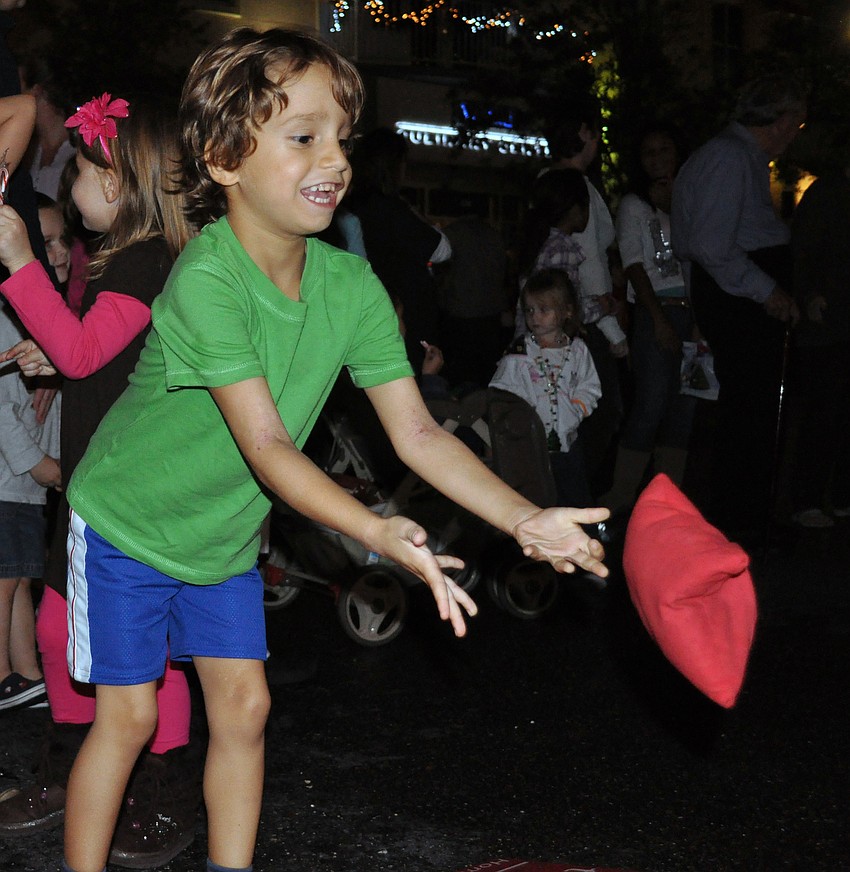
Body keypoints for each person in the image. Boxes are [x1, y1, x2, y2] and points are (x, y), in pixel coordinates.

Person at [46, 28, 608, 872]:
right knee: (126, 717)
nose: (335, 158)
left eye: (342, 137)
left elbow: (415, 431)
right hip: (129, 522)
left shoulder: (350, 287)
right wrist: (378, 532)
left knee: (245, 710)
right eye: (303, 136)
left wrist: (524, 518)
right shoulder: (205, 278)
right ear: (224, 158)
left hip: (224, 538)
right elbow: (268, 446)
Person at [0, 95, 199, 869]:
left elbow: (85, 352)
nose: (70, 178)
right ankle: (74, 775)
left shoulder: (149, 260)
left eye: (80, 168)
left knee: (147, 655)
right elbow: (99, 355)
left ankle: (162, 797)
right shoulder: (122, 256)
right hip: (92, 483)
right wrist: (52, 350)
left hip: (131, 488)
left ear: (116, 185)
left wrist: (22, 264)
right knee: (59, 632)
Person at [671, 75, 806, 544]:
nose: (797, 133)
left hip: (736, 299)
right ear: (780, 120)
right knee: (747, 409)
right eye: (796, 122)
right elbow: (712, 245)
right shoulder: (729, 157)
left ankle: (743, 515)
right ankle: (738, 520)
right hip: (739, 302)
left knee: (748, 408)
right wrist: (768, 289)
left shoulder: (735, 157)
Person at [603, 124, 696, 513]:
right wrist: (656, 319)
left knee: (684, 406)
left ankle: (669, 502)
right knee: (651, 403)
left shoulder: (690, 200)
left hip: (692, 312)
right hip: (655, 310)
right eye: (649, 153)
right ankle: (621, 497)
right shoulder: (634, 205)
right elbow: (635, 265)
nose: (658, 159)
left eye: (665, 150)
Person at [0, 88, 56, 713]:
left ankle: (19, 673)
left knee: (15, 576)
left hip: (19, 479)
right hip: (13, 477)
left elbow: (21, 105)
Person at [545, 100, 626, 491]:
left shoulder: (552, 180)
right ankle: (578, 501)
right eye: (595, 132)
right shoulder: (572, 188)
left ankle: (568, 496)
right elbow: (588, 267)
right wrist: (612, 330)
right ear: (582, 133)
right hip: (582, 326)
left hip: (566, 324)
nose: (599, 141)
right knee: (600, 412)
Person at [492, 267, 601, 509]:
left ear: (567, 311)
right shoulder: (519, 355)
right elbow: (500, 393)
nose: (535, 317)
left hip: (568, 441)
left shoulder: (578, 351)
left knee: (575, 494)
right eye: (530, 310)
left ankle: (584, 535)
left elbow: (590, 385)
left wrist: (576, 409)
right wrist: (521, 415)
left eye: (544, 310)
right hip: (531, 445)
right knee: (538, 497)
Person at [347, 126, 451, 372]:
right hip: (400, 321)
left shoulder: (348, 207)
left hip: (365, 322)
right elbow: (442, 249)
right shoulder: (393, 210)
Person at [787, 148, 850, 527]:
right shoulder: (827, 194)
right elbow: (802, 252)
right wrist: (809, 294)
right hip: (828, 324)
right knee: (824, 412)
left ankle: (843, 495)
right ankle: (806, 499)